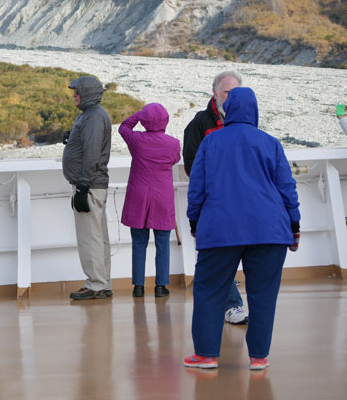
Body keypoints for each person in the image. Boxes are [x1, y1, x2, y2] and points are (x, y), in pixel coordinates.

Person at [184, 87, 300, 370]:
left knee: (210, 289)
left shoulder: (211, 142)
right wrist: (294, 225)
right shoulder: (271, 143)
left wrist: (194, 221)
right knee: (263, 294)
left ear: (228, 109)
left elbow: (197, 187)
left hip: (221, 229)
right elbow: (286, 188)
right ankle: (259, 357)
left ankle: (207, 355)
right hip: (270, 230)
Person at [183, 70, 248, 325]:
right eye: (226, 92)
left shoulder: (246, 121)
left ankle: (224, 304)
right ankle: (231, 306)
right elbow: (191, 164)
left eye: (235, 93)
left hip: (241, 200)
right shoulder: (200, 123)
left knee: (231, 251)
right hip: (214, 201)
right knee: (215, 251)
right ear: (215, 93)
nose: (231, 97)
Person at [119, 104, 181, 298]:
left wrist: (139, 114)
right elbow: (173, 160)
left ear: (144, 120)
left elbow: (123, 127)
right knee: (162, 243)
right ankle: (161, 287)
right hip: (162, 197)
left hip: (139, 196)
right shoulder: (173, 143)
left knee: (139, 242)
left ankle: (138, 286)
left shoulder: (136, 140)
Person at [62, 76, 112, 300]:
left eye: (77, 91)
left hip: (89, 185)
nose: (74, 95)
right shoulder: (93, 115)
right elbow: (89, 147)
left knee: (89, 236)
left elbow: (92, 153)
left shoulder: (92, 117)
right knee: (99, 236)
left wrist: (82, 187)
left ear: (88, 93)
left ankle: (96, 284)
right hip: (95, 184)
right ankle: (103, 282)